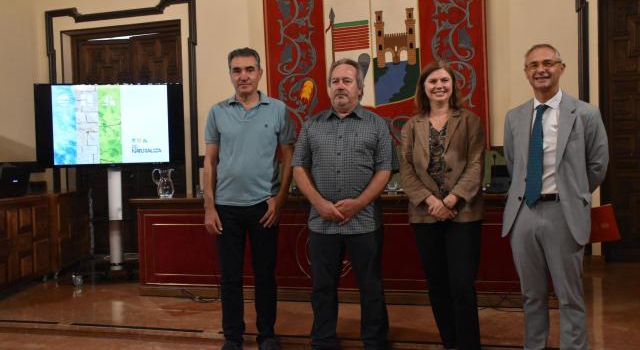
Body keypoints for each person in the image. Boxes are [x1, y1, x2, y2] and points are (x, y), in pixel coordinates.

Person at [502, 43, 609, 350]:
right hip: (524, 214)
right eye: (533, 65)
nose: (541, 69)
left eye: (548, 63)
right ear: (526, 73)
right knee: (531, 294)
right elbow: (514, 164)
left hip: (564, 212)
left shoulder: (585, 113)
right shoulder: (515, 117)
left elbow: (598, 165)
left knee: (569, 295)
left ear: (561, 68)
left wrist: (573, 195)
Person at [292, 58, 397, 350]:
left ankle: (374, 341)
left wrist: (359, 204)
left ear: (360, 89)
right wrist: (320, 204)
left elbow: (385, 169)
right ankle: (323, 340)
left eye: (347, 81)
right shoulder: (312, 125)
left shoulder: (377, 125)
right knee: (323, 288)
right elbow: (298, 167)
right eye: (335, 81)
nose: (340, 86)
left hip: (364, 222)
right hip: (321, 221)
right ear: (328, 88)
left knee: (371, 287)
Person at [203, 47, 294, 350]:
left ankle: (267, 334)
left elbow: (288, 158)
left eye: (249, 69)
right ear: (230, 74)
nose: (243, 76)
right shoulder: (217, 112)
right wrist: (209, 207)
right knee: (230, 278)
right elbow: (210, 162)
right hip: (226, 208)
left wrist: (279, 199)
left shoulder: (278, 109)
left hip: (263, 207)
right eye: (237, 70)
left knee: (265, 275)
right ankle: (233, 336)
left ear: (260, 73)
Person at [399, 61, 485, 350]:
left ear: (452, 85)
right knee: (437, 286)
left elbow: (475, 164)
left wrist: (452, 199)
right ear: (423, 87)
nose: (439, 85)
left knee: (462, 285)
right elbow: (406, 169)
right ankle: (450, 343)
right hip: (425, 216)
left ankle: (469, 345)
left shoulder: (470, 120)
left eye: (444, 80)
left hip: (463, 214)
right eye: (432, 81)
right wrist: (431, 201)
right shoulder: (412, 125)